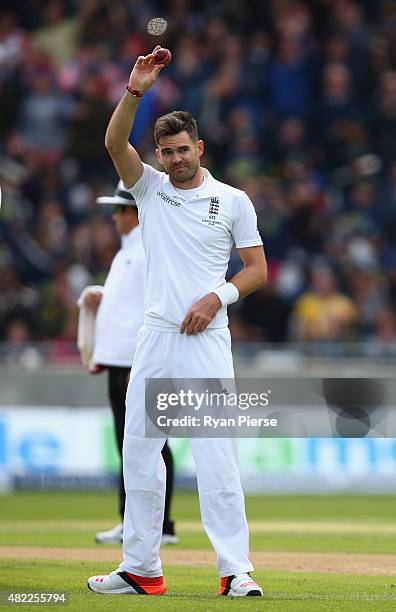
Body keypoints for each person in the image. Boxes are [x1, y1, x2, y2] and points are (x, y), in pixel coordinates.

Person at [87, 46, 267, 597]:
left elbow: (257, 269)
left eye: (182, 150)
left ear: (200, 148)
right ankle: (141, 568)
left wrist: (218, 296)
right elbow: (115, 143)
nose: (174, 160)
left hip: (207, 340)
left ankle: (235, 571)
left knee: (217, 456)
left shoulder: (233, 200)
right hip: (158, 337)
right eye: (165, 152)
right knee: (139, 451)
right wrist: (135, 88)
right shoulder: (150, 191)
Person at [80, 180, 178, 546]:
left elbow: (151, 302)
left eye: (119, 210)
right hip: (121, 359)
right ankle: (134, 521)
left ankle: (159, 525)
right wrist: (99, 298)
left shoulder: (147, 248)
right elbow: (127, 302)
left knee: (147, 442)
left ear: (132, 213)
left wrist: (144, 361)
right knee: (131, 443)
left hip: (133, 361)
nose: (115, 218)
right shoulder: (128, 252)